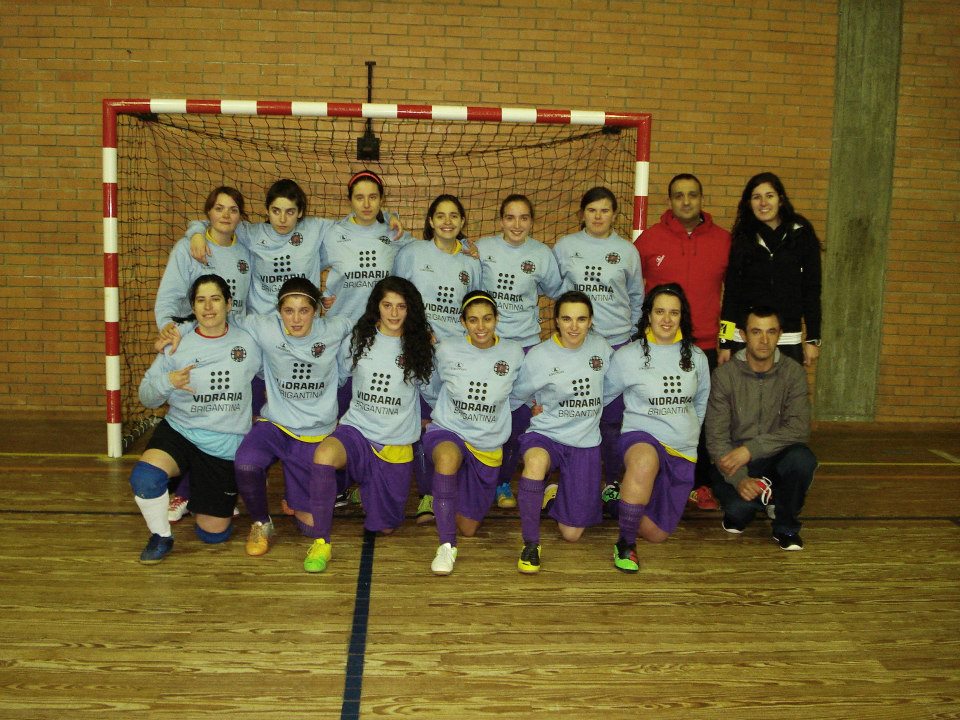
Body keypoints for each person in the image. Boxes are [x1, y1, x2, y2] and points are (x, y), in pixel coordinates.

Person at [305, 277, 434, 573]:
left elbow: (434, 391)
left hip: (394, 443)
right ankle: (322, 542)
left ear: (410, 309)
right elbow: (336, 376)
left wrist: (434, 421)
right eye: (387, 305)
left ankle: (364, 488)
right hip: (357, 431)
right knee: (323, 456)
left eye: (401, 306)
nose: (393, 313)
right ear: (377, 306)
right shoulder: (359, 338)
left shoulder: (420, 346)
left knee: (385, 526)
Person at [130, 274, 262, 564]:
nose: (208, 307)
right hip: (181, 430)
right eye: (201, 301)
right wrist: (168, 382)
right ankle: (161, 536)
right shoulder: (177, 343)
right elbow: (146, 397)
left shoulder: (250, 340)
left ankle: (198, 491)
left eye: (215, 299)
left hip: (223, 442)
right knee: (145, 478)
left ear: (229, 303)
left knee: (213, 534)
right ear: (193, 307)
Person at [155, 186, 254, 522]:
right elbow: (168, 298)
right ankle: (183, 492)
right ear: (208, 212)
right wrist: (171, 332)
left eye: (233, 210)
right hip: (195, 341)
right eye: (219, 208)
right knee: (193, 415)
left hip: (231, 344)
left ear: (240, 217)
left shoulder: (245, 251)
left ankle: (217, 488)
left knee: (226, 418)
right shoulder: (189, 248)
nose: (226, 215)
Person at [634, 174, 730, 510]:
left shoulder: (723, 240)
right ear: (670, 200)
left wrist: (726, 340)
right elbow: (631, 289)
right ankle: (652, 476)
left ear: (701, 198)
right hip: (659, 347)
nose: (686, 201)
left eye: (692, 195)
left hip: (706, 346)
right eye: (678, 195)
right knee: (658, 412)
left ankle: (700, 483)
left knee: (701, 418)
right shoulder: (649, 240)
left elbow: (734, 295)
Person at [602, 284, 710, 572]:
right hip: (641, 437)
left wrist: (690, 435)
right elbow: (601, 397)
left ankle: (616, 502)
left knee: (657, 534)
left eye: (674, 313)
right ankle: (625, 543)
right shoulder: (628, 356)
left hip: (682, 449)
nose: (666, 319)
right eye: (660, 311)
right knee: (644, 461)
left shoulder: (697, 357)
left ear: (682, 317)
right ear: (648, 315)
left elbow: (700, 404)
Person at [392, 194, 482, 523]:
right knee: (418, 420)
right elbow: (397, 296)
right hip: (417, 349)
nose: (447, 221)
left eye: (454, 216)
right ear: (430, 221)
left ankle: (451, 487)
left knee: (449, 421)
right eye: (440, 215)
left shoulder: (471, 262)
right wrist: (415, 331)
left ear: (462, 222)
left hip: (455, 356)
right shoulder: (412, 253)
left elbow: (474, 308)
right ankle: (426, 495)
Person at [420, 291, 524, 574]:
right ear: (463, 322)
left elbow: (519, 393)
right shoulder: (446, 350)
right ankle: (446, 546)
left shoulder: (514, 352)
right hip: (449, 430)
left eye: (487, 319)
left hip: (487, 443)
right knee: (447, 458)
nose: (481, 327)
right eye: (473, 320)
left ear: (497, 319)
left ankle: (447, 493)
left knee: (468, 527)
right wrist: (438, 413)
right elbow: (430, 385)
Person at [552, 187, 644, 507]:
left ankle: (612, 481)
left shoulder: (627, 251)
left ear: (615, 214)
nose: (598, 216)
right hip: (577, 345)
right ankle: (567, 479)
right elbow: (554, 289)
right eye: (592, 210)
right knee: (573, 413)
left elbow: (637, 297)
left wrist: (631, 338)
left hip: (617, 344)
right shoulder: (565, 247)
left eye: (605, 210)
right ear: (582, 214)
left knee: (612, 419)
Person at [510, 291, 613, 574]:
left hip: (584, 441)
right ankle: (530, 543)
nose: (574, 326)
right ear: (556, 321)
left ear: (590, 321)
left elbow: (612, 386)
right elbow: (516, 394)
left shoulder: (602, 348)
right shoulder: (539, 356)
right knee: (535, 463)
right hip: (547, 435)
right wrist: (532, 405)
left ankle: (554, 494)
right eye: (567, 319)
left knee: (572, 534)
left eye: (581, 319)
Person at [474, 194, 563, 509]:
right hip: (489, 344)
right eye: (510, 217)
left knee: (520, 416)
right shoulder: (482, 249)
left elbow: (557, 291)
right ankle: (479, 479)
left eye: (523, 217)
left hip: (526, 345)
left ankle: (502, 482)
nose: (516, 224)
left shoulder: (541, 254)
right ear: (501, 220)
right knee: (485, 412)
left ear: (531, 222)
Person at [706, 306, 817, 550]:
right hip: (733, 462)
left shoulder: (793, 373)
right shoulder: (724, 376)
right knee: (739, 512)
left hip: (773, 457)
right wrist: (739, 479)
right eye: (756, 332)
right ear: (744, 335)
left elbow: (799, 428)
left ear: (779, 335)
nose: (764, 340)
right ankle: (767, 497)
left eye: (771, 332)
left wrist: (751, 449)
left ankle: (786, 527)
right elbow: (716, 438)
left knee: (802, 459)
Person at [718, 172, 822, 368]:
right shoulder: (741, 238)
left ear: (780, 200)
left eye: (769, 196)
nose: (763, 203)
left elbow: (812, 290)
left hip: (787, 337)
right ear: (749, 203)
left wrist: (813, 339)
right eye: (756, 197)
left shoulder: (801, 235)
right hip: (745, 337)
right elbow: (731, 294)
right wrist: (724, 342)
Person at [320, 170, 415, 327]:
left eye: (373, 197)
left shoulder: (394, 233)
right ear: (350, 200)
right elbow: (307, 265)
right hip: (341, 327)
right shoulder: (332, 234)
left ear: (381, 199)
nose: (366, 204)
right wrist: (318, 298)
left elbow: (426, 255)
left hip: (380, 329)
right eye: (359, 198)